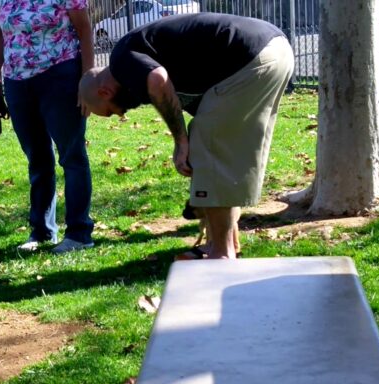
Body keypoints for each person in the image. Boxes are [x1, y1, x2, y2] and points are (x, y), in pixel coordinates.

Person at [79, 13, 294, 260]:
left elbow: (158, 80)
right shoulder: (139, 53)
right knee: (222, 151)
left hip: (252, 57)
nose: (121, 114)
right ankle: (224, 243)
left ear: (105, 92)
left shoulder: (121, 60)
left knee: (208, 150)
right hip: (274, 49)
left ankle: (221, 254)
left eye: (112, 111)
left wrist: (180, 141)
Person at [0, 0, 95, 254]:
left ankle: (79, 233)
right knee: (37, 159)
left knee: (71, 155)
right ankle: (42, 231)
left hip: (60, 76)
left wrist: (87, 78)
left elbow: (85, 29)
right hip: (17, 82)